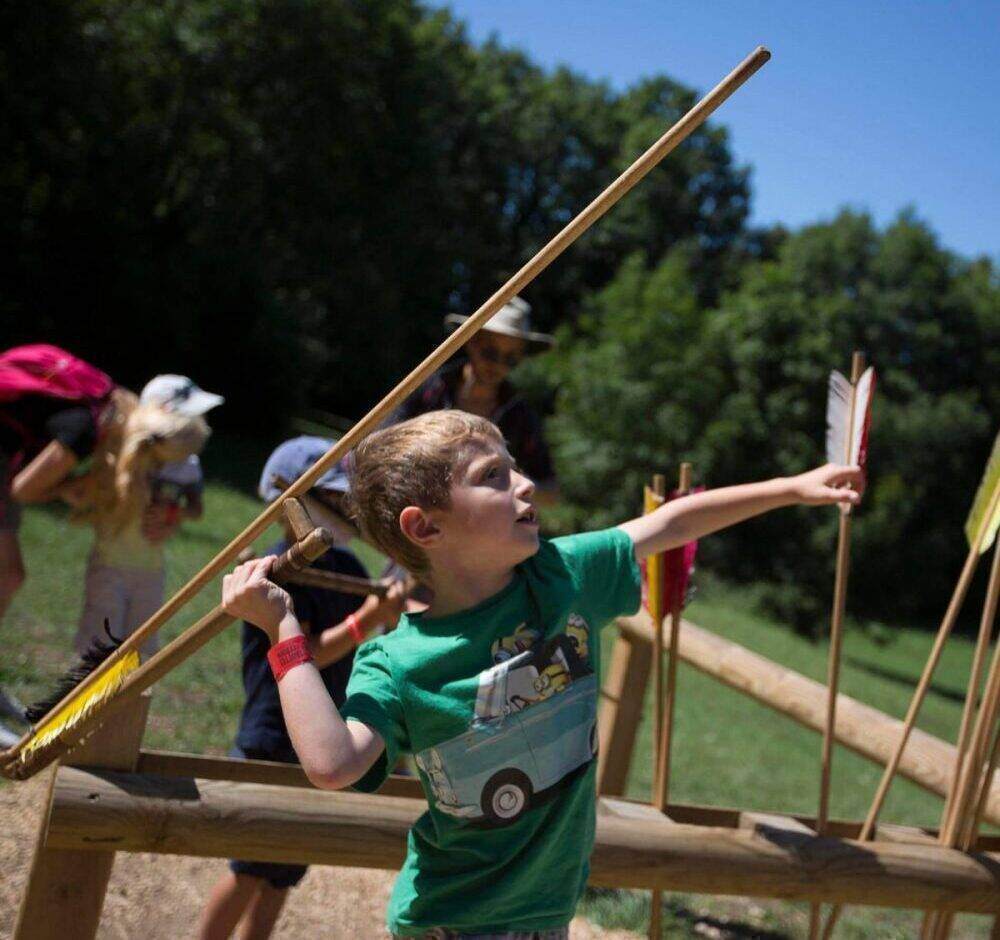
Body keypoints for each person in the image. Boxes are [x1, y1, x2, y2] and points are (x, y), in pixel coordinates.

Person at [221, 409, 864, 939]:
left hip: (544, 918)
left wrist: (794, 487)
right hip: (452, 924)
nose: (526, 484)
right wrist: (283, 630)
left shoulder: (560, 575)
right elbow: (333, 764)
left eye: (515, 467)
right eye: (494, 476)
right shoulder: (397, 662)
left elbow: (670, 522)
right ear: (427, 526)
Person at [199, 437, 406, 940]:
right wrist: (366, 621)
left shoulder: (352, 570)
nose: (351, 512)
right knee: (249, 869)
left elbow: (364, 647)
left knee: (281, 879)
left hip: (319, 736)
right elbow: (302, 655)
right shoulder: (276, 571)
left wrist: (388, 617)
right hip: (273, 735)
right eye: (339, 499)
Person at [0, 344, 129, 745]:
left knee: (8, 575)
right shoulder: (85, 430)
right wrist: (69, 487)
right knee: (6, 575)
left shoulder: (96, 402)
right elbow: (24, 489)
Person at [67, 394, 218, 659]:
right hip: (109, 568)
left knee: (141, 654)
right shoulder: (121, 458)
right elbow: (75, 490)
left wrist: (172, 515)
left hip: (150, 571)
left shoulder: (182, 462)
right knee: (98, 651)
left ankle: (128, 701)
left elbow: (195, 509)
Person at [392, 297, 558, 501]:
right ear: (470, 342)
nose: (499, 366)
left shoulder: (520, 417)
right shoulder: (429, 389)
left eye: (511, 359)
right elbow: (382, 443)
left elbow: (551, 492)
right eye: (490, 353)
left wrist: (505, 481)